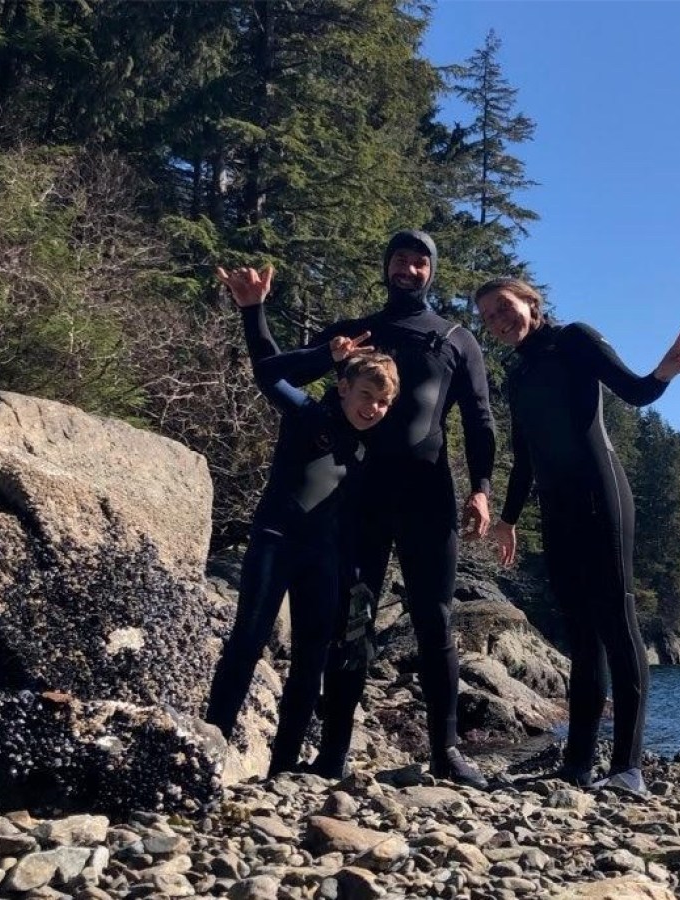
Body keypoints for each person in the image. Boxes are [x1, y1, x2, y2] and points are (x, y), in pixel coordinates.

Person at [474, 276, 680, 795]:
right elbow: (526, 456)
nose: (498, 320)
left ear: (530, 302)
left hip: (601, 497)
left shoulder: (574, 338)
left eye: (503, 307)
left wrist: (664, 373)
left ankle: (628, 768)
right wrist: (509, 519)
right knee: (580, 635)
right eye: (488, 316)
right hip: (558, 510)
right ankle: (577, 764)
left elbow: (634, 391)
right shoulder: (518, 372)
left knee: (617, 626)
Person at [284, 230, 496, 787]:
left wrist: (481, 487)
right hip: (359, 496)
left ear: (433, 272)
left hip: (429, 496)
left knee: (436, 620)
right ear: (387, 267)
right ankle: (332, 753)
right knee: (351, 620)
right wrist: (255, 313)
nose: (408, 269)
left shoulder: (455, 338)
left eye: (420, 262)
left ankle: (445, 753)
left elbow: (479, 419)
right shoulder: (357, 334)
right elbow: (283, 372)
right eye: (400, 260)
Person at [205, 264, 400, 778]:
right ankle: (209, 749)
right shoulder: (308, 414)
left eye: (383, 402)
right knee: (247, 642)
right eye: (366, 396)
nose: (374, 408)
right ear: (343, 389)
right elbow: (268, 374)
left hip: (325, 558)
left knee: (311, 660)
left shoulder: (372, 446)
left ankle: (283, 768)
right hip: (275, 540)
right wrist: (257, 313)